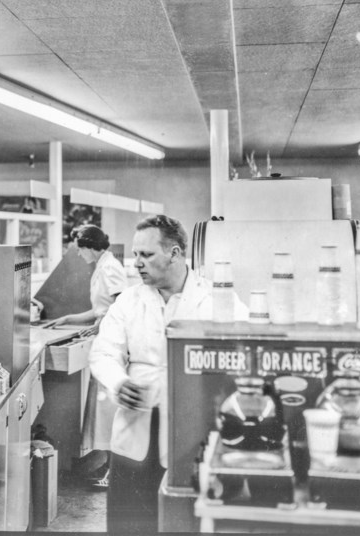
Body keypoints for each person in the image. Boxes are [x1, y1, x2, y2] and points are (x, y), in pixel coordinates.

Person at [89, 214, 247, 533]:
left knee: (185, 519)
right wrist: (119, 382)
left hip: (193, 426)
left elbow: (243, 353)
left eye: (146, 255)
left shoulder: (217, 299)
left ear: (174, 253)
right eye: (135, 255)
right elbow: (104, 351)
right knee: (129, 522)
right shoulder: (129, 302)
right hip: (137, 424)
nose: (137, 264)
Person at [49, 225, 127, 489]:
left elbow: (120, 303)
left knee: (110, 412)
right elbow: (99, 309)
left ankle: (115, 472)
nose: (79, 255)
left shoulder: (110, 267)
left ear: (89, 245)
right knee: (102, 411)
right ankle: (108, 466)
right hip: (104, 341)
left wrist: (103, 321)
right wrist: (69, 319)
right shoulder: (102, 266)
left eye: (79, 250)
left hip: (112, 346)